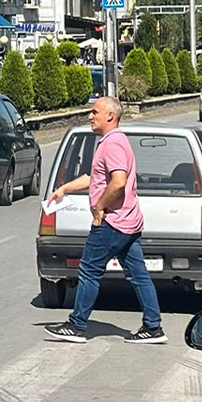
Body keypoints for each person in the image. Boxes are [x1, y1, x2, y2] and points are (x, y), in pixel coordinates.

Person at [42, 95, 165, 345]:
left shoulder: (113, 144)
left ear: (110, 116)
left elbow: (118, 182)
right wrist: (65, 189)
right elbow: (95, 178)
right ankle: (153, 327)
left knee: (88, 271)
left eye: (95, 112)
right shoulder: (110, 142)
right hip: (127, 222)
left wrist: (100, 206)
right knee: (139, 274)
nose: (90, 116)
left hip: (111, 222)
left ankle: (77, 326)